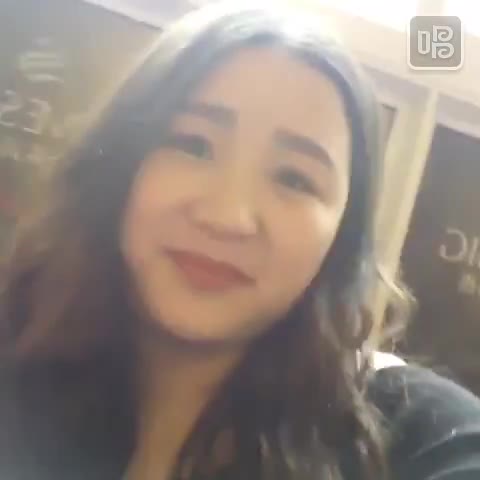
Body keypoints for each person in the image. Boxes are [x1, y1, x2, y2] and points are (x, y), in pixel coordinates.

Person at [1, 3, 480, 480]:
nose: (227, 217)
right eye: (194, 145)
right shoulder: (20, 352)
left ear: (341, 236)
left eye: (294, 179)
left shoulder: (416, 437)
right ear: (120, 162)